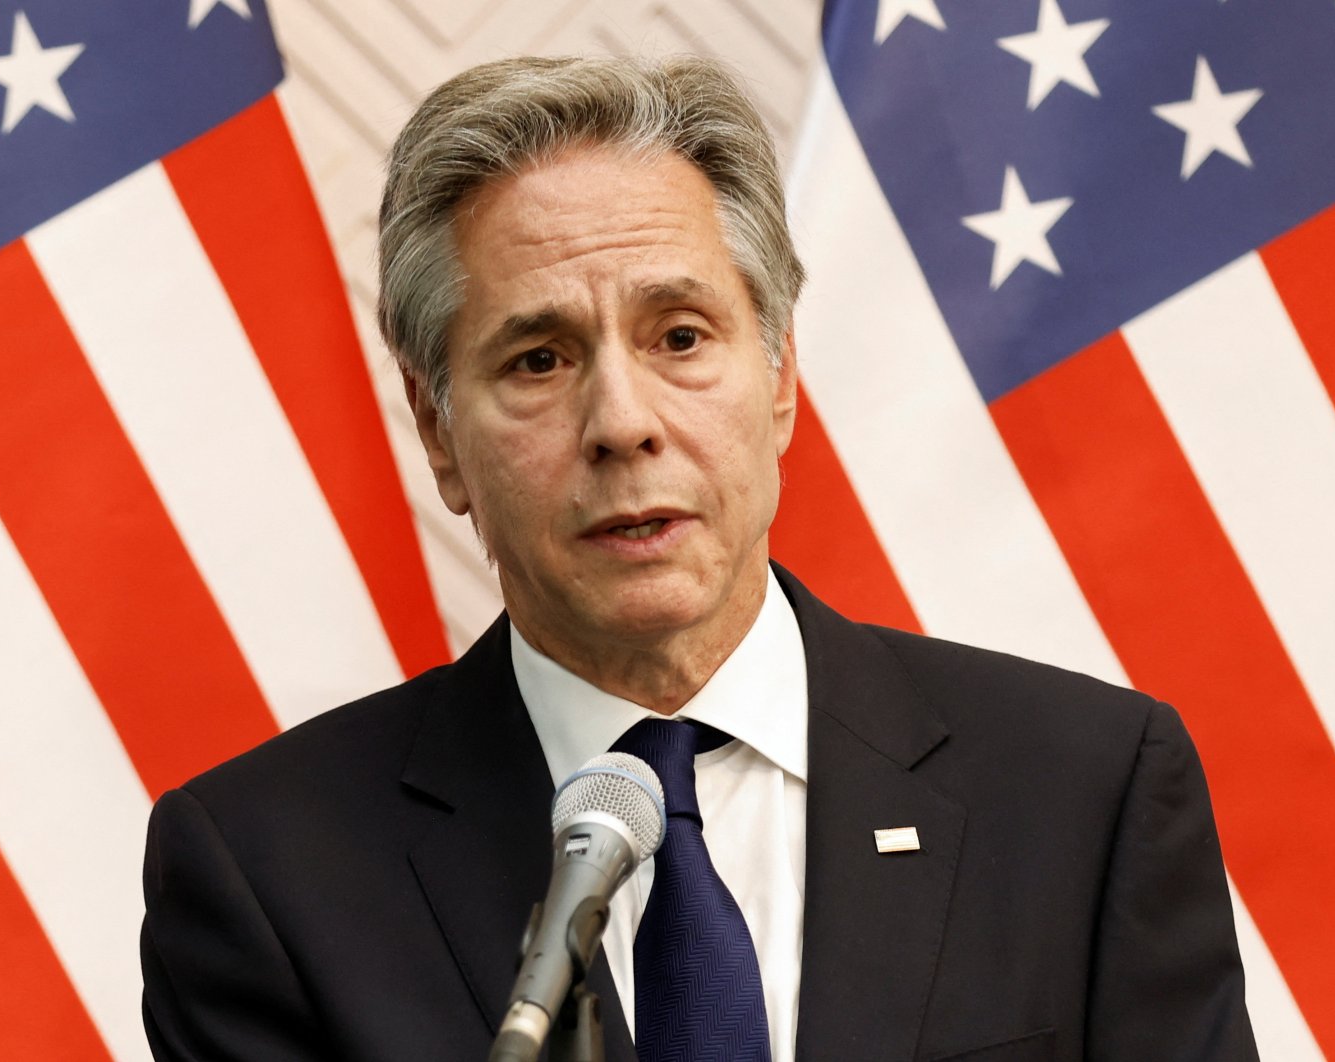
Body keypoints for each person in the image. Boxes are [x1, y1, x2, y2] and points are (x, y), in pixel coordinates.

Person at [140, 55, 1258, 1061]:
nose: (621, 421)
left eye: (679, 336)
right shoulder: (267, 874)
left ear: (777, 380)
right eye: (537, 359)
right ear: (439, 434)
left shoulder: (1081, 790)